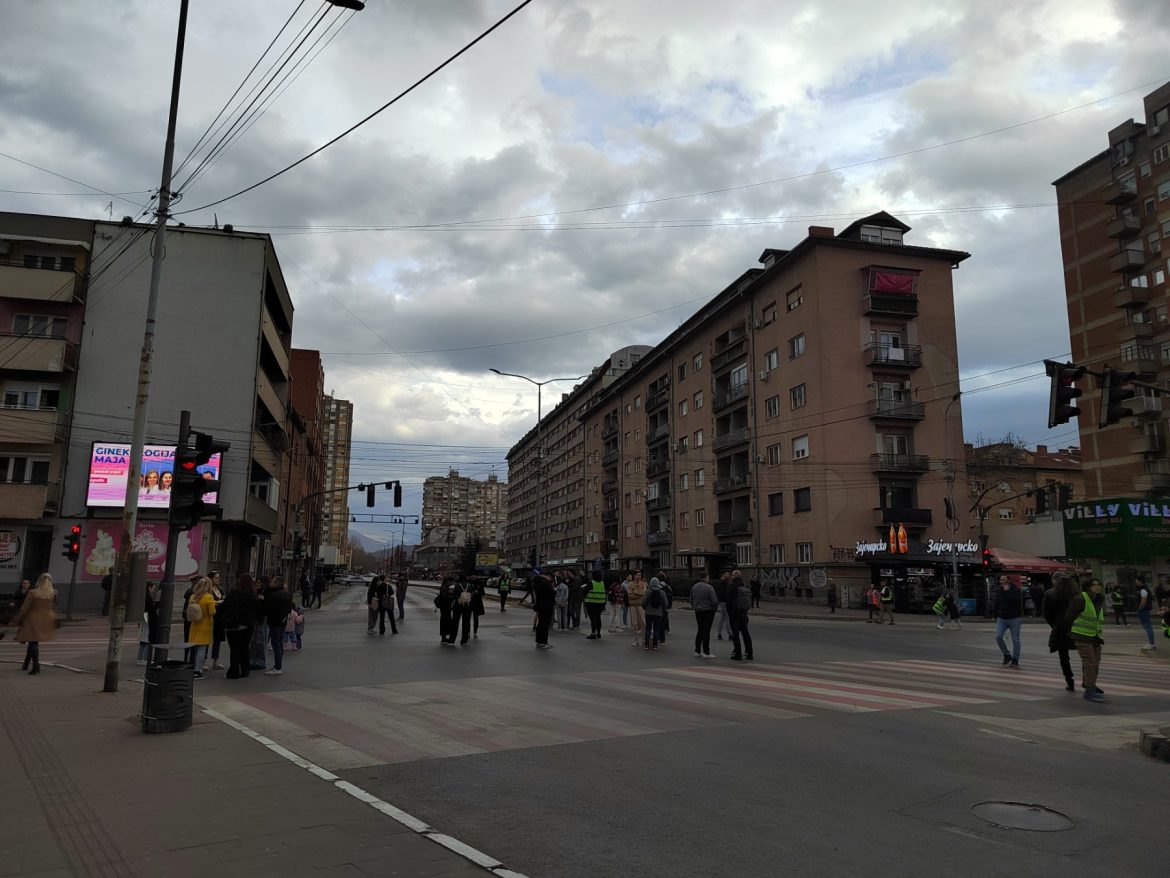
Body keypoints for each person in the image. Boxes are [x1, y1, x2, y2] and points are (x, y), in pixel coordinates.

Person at [1066, 577, 1107, 702]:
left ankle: (1089, 683)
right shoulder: (1080, 599)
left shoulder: (1099, 599)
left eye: (1098, 584)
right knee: (1090, 662)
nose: (1097, 587)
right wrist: (1070, 634)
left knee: (1095, 662)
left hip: (1095, 637)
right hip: (1081, 636)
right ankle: (1089, 690)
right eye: (1094, 585)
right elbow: (1069, 618)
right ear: (1087, 587)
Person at [8, 573, 57, 675]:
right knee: (33, 642)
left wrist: (16, 620)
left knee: (33, 642)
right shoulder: (52, 593)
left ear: (39, 581)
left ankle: (36, 666)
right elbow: (52, 608)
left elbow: (25, 608)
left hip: (33, 619)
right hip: (46, 620)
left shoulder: (33, 592)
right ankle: (26, 664)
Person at [1042, 574, 1078, 692]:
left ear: (1054, 581)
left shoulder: (1050, 594)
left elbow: (1046, 613)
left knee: (1063, 656)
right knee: (1084, 653)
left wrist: (1054, 624)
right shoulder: (1076, 593)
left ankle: (1069, 680)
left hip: (1060, 627)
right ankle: (1087, 679)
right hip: (1076, 626)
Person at [220, 574, 259, 679]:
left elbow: (226, 607)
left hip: (234, 625)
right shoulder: (252, 595)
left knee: (235, 649)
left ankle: (234, 671)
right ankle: (245, 670)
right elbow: (257, 610)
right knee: (245, 648)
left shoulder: (234, 594)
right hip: (248, 625)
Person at [185, 576, 216, 679]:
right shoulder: (209, 597)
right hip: (205, 625)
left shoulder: (193, 597)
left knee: (193, 648)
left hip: (194, 624)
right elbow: (212, 612)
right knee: (202, 648)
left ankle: (190, 668)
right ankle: (197, 670)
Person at [993, 575, 1024, 669]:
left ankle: (1015, 660)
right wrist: (994, 615)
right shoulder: (999, 590)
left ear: (1008, 581)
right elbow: (997, 602)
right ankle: (1006, 655)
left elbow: (1016, 601)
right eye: (1000, 579)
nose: (1001, 581)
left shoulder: (1015, 589)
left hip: (1014, 618)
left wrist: (1008, 592)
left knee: (1015, 639)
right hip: (1002, 618)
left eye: (1003, 579)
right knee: (998, 637)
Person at [690, 571, 718, 659]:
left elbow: (691, 599)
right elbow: (714, 601)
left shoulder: (694, 587)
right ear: (706, 577)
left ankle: (697, 651)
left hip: (698, 611)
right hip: (708, 611)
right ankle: (706, 651)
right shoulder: (709, 587)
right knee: (706, 631)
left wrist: (695, 606)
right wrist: (714, 609)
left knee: (700, 630)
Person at [728, 570, 754, 661]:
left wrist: (729, 611)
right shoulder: (744, 585)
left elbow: (728, 600)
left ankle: (738, 654)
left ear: (733, 576)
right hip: (743, 612)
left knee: (735, 634)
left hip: (734, 613)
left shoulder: (732, 586)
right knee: (745, 632)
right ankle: (749, 653)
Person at [137, 580, 160, 665]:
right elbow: (151, 608)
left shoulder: (143, 596)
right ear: (149, 587)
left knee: (143, 640)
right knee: (147, 639)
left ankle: (140, 658)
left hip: (143, 618)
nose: (153, 590)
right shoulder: (148, 598)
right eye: (153, 588)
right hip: (147, 618)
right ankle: (145, 658)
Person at [642, 576, 668, 650]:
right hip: (658, 613)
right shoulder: (662, 592)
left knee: (648, 629)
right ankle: (655, 645)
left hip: (648, 613)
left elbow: (643, 602)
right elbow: (665, 603)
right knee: (656, 629)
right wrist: (662, 610)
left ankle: (646, 645)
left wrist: (645, 608)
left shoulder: (648, 591)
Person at [208, 571, 226, 671]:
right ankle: (203, 660)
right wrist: (215, 602)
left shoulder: (220, 589)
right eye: (216, 578)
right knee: (207, 638)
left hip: (219, 616)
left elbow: (223, 597)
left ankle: (215, 661)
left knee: (217, 639)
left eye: (218, 578)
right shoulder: (208, 589)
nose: (218, 580)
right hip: (211, 616)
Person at [532, 572, 555, 649]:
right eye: (551, 577)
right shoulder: (546, 583)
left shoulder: (537, 583)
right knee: (545, 625)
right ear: (548, 576)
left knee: (540, 624)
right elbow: (551, 594)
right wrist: (553, 590)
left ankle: (539, 642)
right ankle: (544, 642)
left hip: (540, 606)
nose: (551, 579)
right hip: (547, 606)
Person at [583, 569, 606, 639]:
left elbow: (585, 592)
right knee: (598, 617)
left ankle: (593, 633)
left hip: (591, 603)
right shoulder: (602, 583)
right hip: (600, 603)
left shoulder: (591, 583)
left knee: (593, 618)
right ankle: (598, 633)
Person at [1136, 577, 1157, 651]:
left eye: (1136, 580)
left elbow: (1143, 602)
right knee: (1148, 626)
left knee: (1147, 626)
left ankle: (1151, 644)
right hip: (1145, 610)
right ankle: (1151, 643)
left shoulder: (1143, 590)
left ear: (1140, 581)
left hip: (1143, 611)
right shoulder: (1144, 589)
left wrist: (1139, 609)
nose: (1136, 582)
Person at [434, 577, 456, 646]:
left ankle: (444, 637)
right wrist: (451, 595)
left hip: (446, 608)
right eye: (452, 582)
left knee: (446, 622)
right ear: (449, 581)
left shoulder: (445, 587)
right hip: (445, 608)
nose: (453, 583)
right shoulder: (444, 588)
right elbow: (445, 597)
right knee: (444, 622)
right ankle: (443, 638)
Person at [627, 572, 647, 646]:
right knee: (635, 623)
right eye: (638, 575)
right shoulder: (630, 584)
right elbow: (630, 596)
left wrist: (636, 592)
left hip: (641, 605)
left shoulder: (643, 584)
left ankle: (644, 639)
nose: (639, 576)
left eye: (640, 575)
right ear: (634, 575)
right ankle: (636, 640)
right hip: (633, 606)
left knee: (643, 622)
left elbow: (644, 593)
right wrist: (639, 593)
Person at [452, 575, 473, 645]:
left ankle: (452, 640)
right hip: (467, 606)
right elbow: (471, 595)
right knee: (466, 623)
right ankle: (464, 640)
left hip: (458, 606)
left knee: (455, 623)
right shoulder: (469, 586)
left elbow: (454, 596)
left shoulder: (457, 585)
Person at [713, 571, 732, 640]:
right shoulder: (724, 582)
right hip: (725, 601)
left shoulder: (720, 582)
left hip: (721, 601)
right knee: (728, 618)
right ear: (723, 575)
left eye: (729, 574)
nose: (729, 575)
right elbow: (725, 593)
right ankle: (730, 635)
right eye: (727, 574)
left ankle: (719, 634)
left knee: (722, 618)